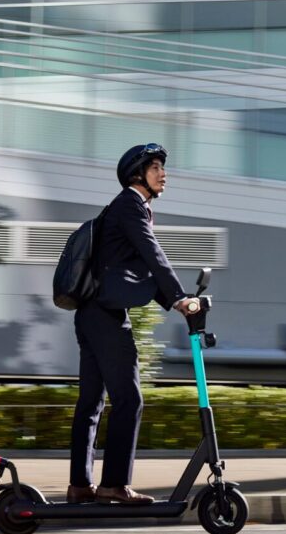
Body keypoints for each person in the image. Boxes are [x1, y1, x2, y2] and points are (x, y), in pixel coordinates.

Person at [67, 143, 197, 505]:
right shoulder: (130, 205)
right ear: (137, 174)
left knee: (91, 402)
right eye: (156, 167)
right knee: (129, 398)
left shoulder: (124, 208)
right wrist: (180, 298)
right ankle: (113, 484)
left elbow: (139, 270)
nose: (163, 174)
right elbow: (153, 253)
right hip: (106, 315)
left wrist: (175, 303)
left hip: (91, 313)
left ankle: (80, 485)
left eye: (163, 168)